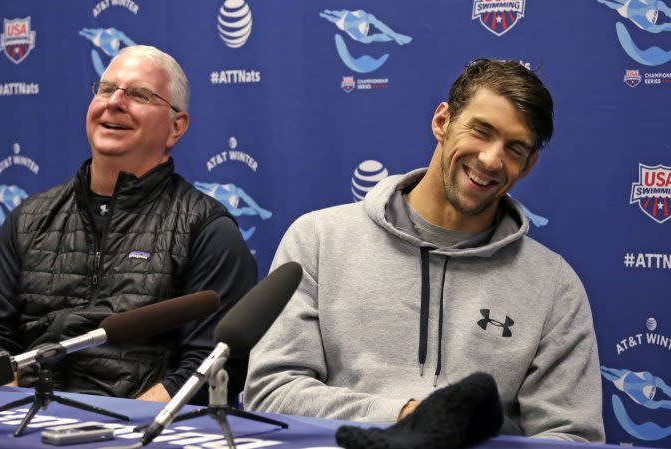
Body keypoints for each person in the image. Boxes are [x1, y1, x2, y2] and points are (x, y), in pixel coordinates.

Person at [245, 59, 604, 442]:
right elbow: (270, 393)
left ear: (528, 165)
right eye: (481, 131)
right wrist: (405, 416)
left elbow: (572, 436)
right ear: (442, 122)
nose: (490, 159)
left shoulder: (553, 285)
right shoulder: (317, 239)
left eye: (514, 149)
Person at [0, 45, 257, 403]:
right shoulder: (28, 219)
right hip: (26, 422)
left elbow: (211, 364)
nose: (114, 102)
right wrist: (10, 414)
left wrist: (120, 431)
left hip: (140, 432)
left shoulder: (207, 230)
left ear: (175, 127)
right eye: (106, 89)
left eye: (138, 94)